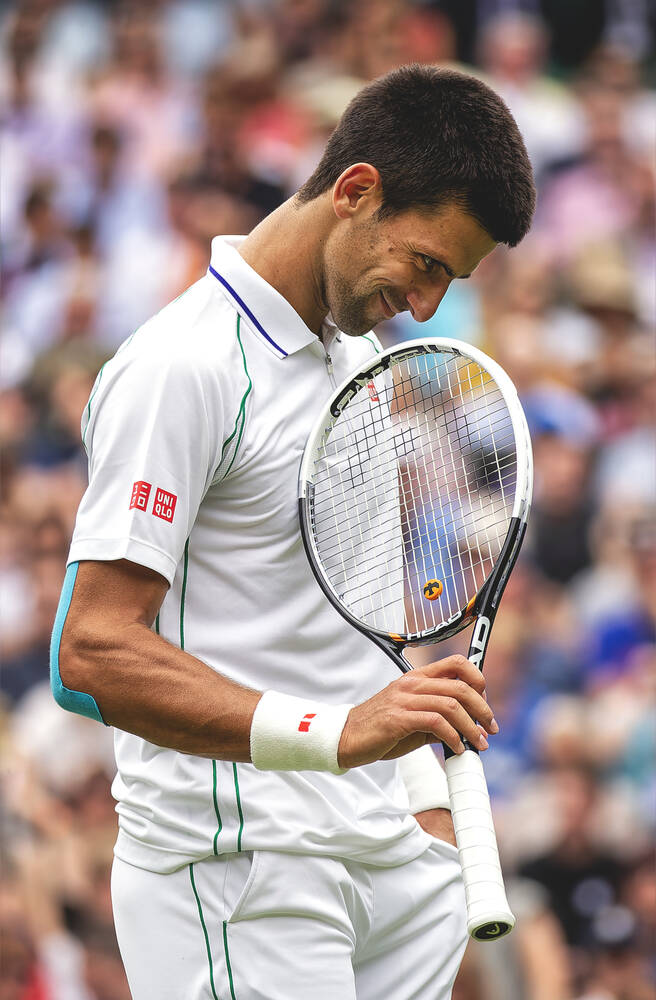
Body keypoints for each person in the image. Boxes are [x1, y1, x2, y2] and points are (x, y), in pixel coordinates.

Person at [51, 65, 535, 1000]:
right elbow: (91, 653)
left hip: (386, 861)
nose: (428, 306)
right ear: (356, 191)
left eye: (451, 279)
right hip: (242, 872)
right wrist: (341, 734)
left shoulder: (360, 362)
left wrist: (426, 813)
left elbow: (358, 636)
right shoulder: (181, 367)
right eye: (427, 264)